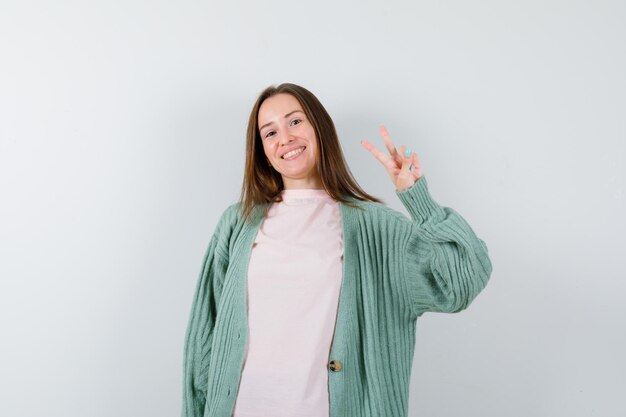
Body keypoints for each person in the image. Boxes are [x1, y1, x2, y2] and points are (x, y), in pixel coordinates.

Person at [181, 83, 492, 417]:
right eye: (269, 132)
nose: (284, 138)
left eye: (295, 122)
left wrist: (419, 199)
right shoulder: (237, 223)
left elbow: (461, 283)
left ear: (320, 129)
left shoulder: (377, 229)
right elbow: (205, 339)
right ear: (263, 152)